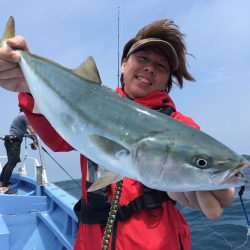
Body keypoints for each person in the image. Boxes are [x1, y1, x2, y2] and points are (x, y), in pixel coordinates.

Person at [0, 19, 235, 249]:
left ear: (166, 80)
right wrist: (28, 88)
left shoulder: (179, 127)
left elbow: (200, 156)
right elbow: (58, 139)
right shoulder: (89, 100)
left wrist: (211, 177)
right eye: (143, 58)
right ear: (124, 64)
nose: (150, 68)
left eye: (161, 67)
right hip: (90, 241)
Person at [0, 109, 36, 194]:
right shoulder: (25, 115)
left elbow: (24, 130)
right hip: (13, 142)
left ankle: (1, 182)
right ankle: (4, 188)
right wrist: (36, 139)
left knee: (11, 162)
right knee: (12, 163)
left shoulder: (21, 115)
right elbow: (31, 130)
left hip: (12, 141)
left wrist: (33, 138)